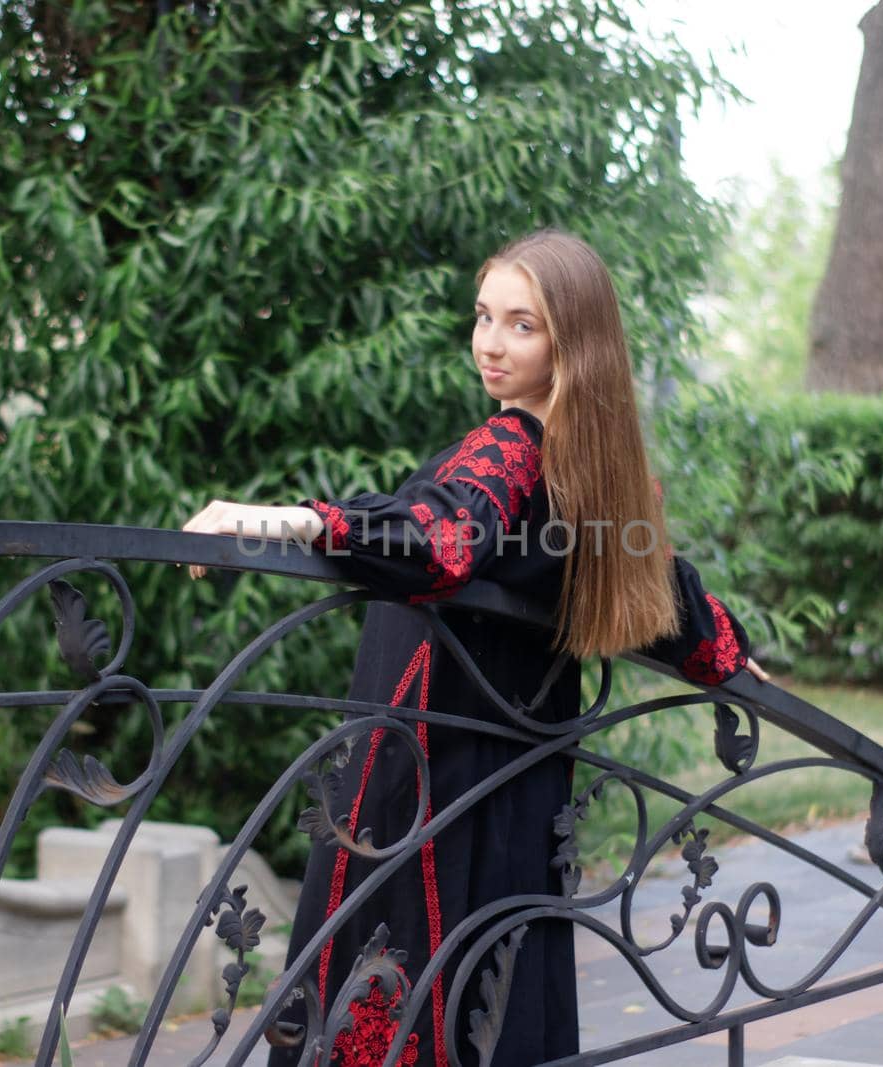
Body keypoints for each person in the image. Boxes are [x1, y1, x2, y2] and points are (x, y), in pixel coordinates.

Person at [183, 229, 766, 1067]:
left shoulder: (516, 444)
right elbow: (670, 600)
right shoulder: (598, 471)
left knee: (391, 992)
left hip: (424, 781)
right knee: (488, 1000)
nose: (490, 343)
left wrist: (281, 520)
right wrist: (729, 655)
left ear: (575, 343)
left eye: (521, 324)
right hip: (511, 794)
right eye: (484, 316)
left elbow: (445, 537)